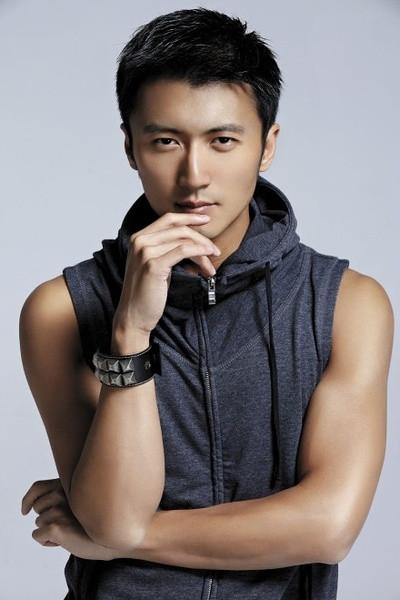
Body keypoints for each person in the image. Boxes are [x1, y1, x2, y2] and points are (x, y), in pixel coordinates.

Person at [19, 8, 394, 600]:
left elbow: (328, 527)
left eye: (223, 141)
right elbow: (116, 513)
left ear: (267, 146)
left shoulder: (347, 305)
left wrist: (120, 539)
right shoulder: (60, 312)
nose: (194, 175)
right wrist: (131, 331)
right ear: (130, 147)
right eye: (166, 141)